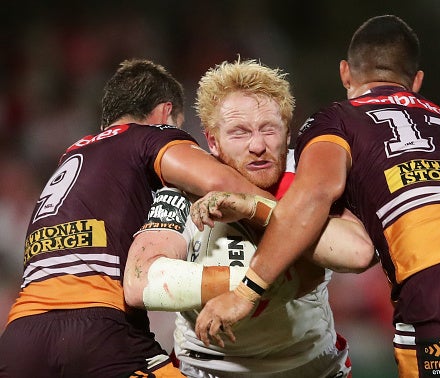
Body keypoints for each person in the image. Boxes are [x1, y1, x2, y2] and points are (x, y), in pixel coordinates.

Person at [193, 16, 440, 378]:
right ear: (416, 81)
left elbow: (313, 196)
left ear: (345, 74)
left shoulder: (337, 119)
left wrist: (246, 292)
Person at [0, 58, 273, 378]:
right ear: (164, 114)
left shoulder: (72, 156)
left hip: (20, 338)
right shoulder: (149, 136)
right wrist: (289, 215)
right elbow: (222, 186)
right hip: (98, 332)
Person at [123, 59, 375, 377]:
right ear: (212, 141)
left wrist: (251, 206)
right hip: (207, 370)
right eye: (239, 133)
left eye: (268, 129)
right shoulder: (184, 185)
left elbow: (357, 252)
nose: (257, 146)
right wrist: (258, 286)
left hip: (312, 368)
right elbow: (140, 282)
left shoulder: (309, 175)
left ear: (287, 134)